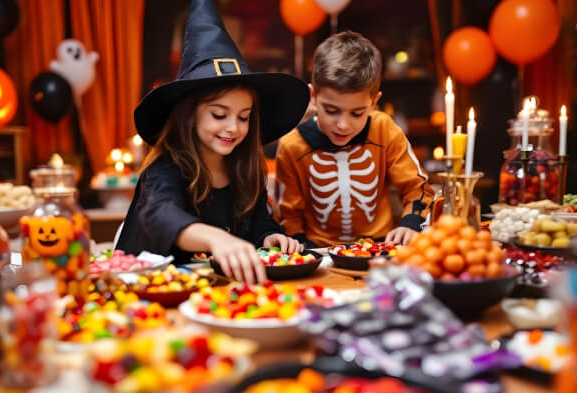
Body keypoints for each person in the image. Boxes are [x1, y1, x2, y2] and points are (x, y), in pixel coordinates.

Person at [116, 0, 309, 284]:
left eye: (244, 117)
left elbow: (258, 225)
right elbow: (160, 215)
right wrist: (216, 239)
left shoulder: (245, 169)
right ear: (189, 116)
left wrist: (271, 237)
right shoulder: (165, 169)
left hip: (221, 297)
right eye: (219, 115)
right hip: (150, 296)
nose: (233, 127)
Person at [275, 31, 434, 248]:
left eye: (357, 113)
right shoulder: (292, 146)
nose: (343, 125)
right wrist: (300, 249)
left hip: (381, 247)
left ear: (374, 102)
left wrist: (411, 223)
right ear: (313, 97)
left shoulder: (384, 129)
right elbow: (288, 214)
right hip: (317, 250)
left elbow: (417, 187)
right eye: (331, 110)